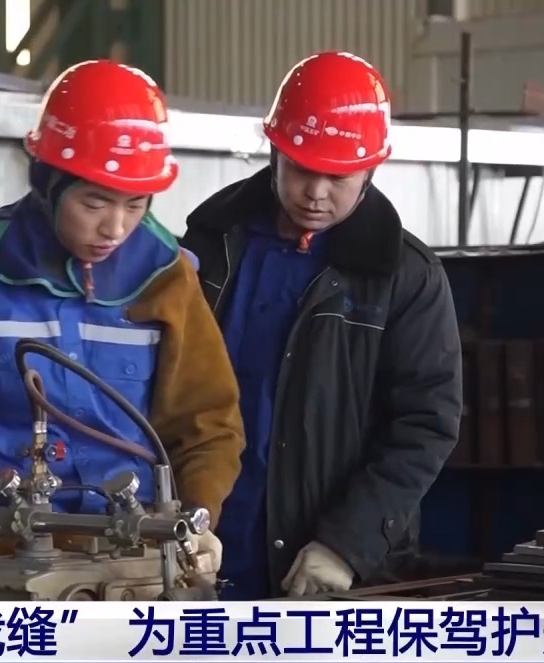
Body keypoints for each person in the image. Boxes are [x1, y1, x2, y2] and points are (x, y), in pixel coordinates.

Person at [0, 60, 245, 566]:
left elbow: (207, 425)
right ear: (47, 182)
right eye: (95, 203)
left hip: (135, 557)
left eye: (135, 204)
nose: (115, 228)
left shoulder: (169, 279)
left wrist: (199, 515)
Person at [179, 51, 462, 599]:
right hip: (205, 549)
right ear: (275, 153)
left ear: (371, 171)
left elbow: (425, 425)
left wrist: (347, 544)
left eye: (338, 177)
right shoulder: (210, 247)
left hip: (323, 567)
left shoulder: (405, 277)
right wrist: (179, 521)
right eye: (302, 169)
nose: (316, 192)